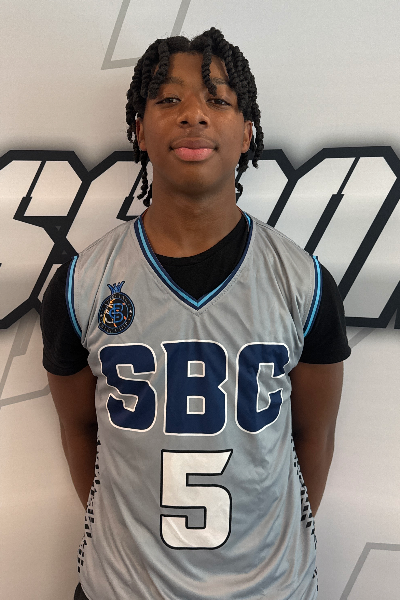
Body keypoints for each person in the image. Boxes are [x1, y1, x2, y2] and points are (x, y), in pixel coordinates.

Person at [41, 28, 350, 600]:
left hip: (269, 588)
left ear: (247, 131)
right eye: (169, 99)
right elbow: (79, 429)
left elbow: (314, 434)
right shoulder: (82, 283)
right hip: (122, 587)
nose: (194, 115)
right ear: (139, 128)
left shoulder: (303, 282)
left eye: (218, 100)